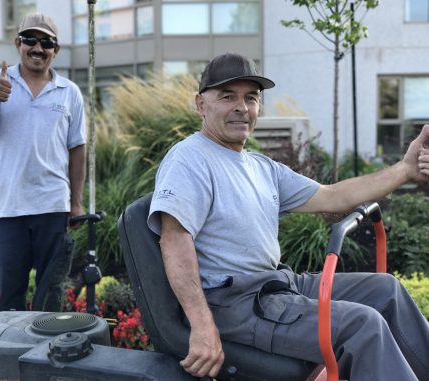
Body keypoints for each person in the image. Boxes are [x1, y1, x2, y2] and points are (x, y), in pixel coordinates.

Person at [148, 53, 429, 381]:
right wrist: (201, 325)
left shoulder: (260, 166)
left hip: (277, 286)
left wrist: (405, 170)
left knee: (387, 290)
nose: (242, 107)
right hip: (235, 303)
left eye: (250, 98)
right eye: (228, 97)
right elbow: (174, 238)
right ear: (200, 105)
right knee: (362, 326)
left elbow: (332, 196)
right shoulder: (189, 160)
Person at [0, 13, 86, 312]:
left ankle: (42, 359)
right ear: (18, 43)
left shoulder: (69, 92)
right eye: (30, 39)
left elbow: (77, 148)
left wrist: (77, 202)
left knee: (50, 299)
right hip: (10, 208)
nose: (38, 47)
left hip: (53, 206)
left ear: (55, 50)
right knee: (10, 299)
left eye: (46, 42)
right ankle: (9, 359)